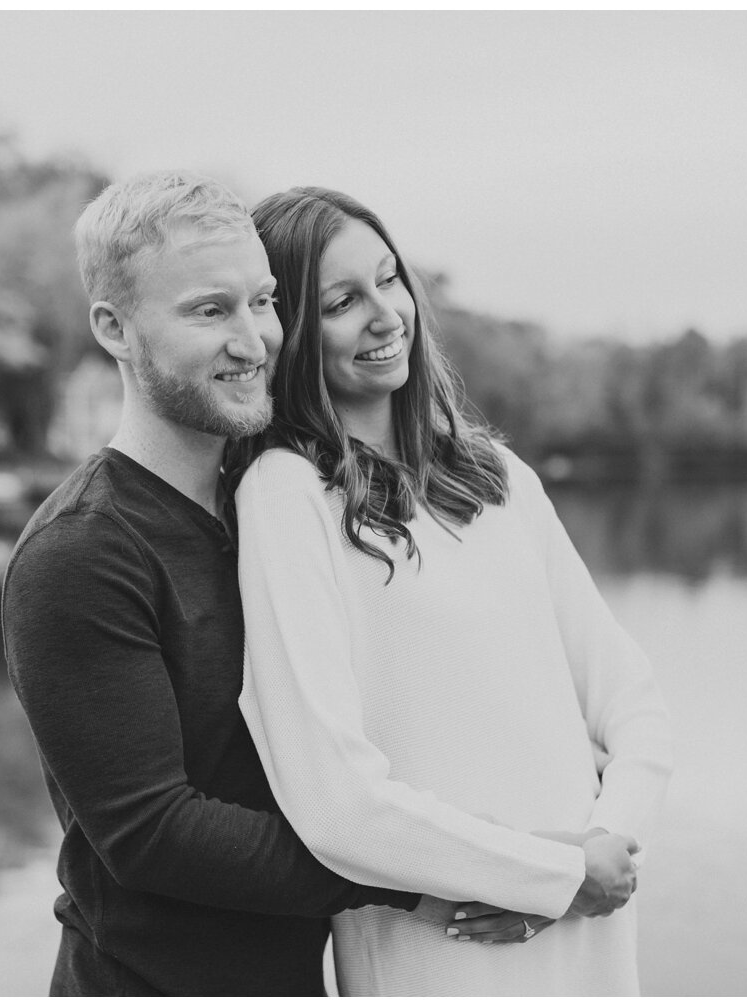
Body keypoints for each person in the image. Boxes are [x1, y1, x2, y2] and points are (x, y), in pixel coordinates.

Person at [1, 172, 640, 996]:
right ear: (113, 328)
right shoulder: (80, 552)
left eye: (263, 302)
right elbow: (156, 832)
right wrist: (474, 872)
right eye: (208, 311)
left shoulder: (271, 501)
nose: (254, 339)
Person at [229, 186, 674, 996]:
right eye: (341, 301)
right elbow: (333, 798)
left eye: (390, 279)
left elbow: (633, 703)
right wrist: (546, 873)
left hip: (589, 935)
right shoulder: (286, 495)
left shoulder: (498, 476)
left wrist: (598, 854)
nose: (384, 313)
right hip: (448, 945)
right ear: (289, 330)